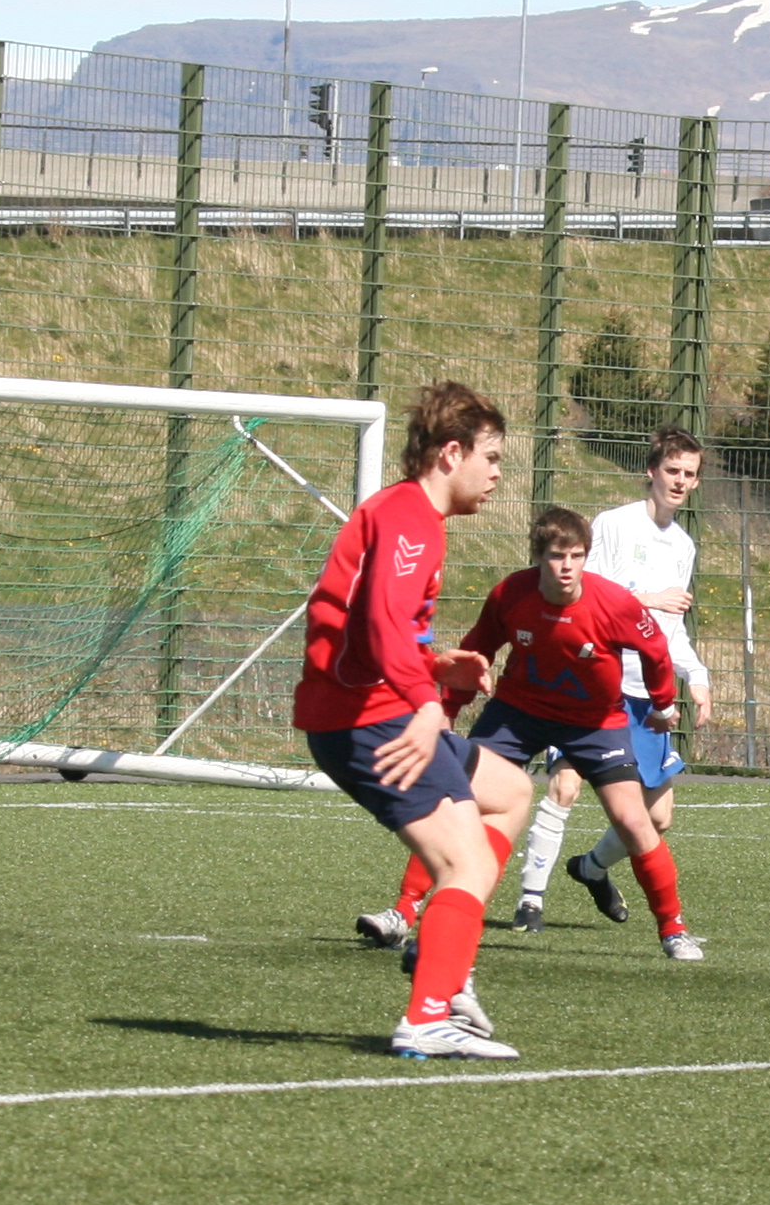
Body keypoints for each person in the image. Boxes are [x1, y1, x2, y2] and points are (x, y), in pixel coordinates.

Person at [295, 381, 528, 1060]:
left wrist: (433, 667)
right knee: (465, 863)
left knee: (511, 792)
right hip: (368, 720)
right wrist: (426, 701)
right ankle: (428, 1014)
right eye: (491, 457)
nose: (497, 473)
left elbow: (378, 629)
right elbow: (381, 620)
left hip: (373, 707)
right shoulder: (409, 519)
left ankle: (443, 960)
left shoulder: (408, 516)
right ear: (451, 454)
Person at [453, 504, 707, 961]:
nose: (566, 566)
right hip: (518, 712)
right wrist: (448, 707)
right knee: (459, 798)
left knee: (636, 820)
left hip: (595, 722)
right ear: (538, 556)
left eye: (576, 556)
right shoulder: (511, 593)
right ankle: (405, 910)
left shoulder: (613, 602)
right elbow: (475, 650)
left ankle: (673, 929)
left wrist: (664, 703)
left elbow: (655, 648)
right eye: (556, 555)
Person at [513, 429, 712, 931]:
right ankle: (530, 900)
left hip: (646, 693)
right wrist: (648, 599)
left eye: (689, 474)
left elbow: (670, 629)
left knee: (658, 818)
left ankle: (590, 868)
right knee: (565, 786)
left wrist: (695, 674)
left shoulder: (683, 546)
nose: (680, 481)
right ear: (651, 472)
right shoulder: (614, 524)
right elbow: (585, 592)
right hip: (596, 684)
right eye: (672, 471)